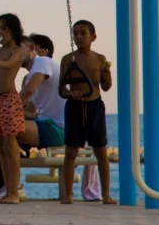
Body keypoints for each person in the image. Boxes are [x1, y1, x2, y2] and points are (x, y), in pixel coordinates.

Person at [58, 20, 116, 205]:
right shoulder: (68, 59)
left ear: (93, 37)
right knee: (71, 151)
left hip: (95, 106)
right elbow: (62, 89)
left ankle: (106, 194)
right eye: (75, 34)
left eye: (83, 33)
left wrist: (107, 76)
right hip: (75, 107)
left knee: (101, 151)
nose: (78, 37)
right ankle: (68, 194)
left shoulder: (100, 59)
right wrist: (71, 93)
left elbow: (105, 87)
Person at [0, 13, 28, 204]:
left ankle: (14, 191)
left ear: (13, 30)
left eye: (4, 28)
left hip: (9, 99)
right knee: (1, 148)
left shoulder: (18, 49)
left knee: (10, 145)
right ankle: (7, 189)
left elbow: (10, 64)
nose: (1, 32)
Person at [18, 33, 66, 153]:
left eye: (18, 49)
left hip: (58, 128)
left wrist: (7, 108)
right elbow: (30, 111)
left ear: (32, 48)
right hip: (44, 123)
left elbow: (28, 91)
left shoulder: (43, 61)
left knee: (5, 126)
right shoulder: (30, 77)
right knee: (0, 126)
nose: (15, 54)